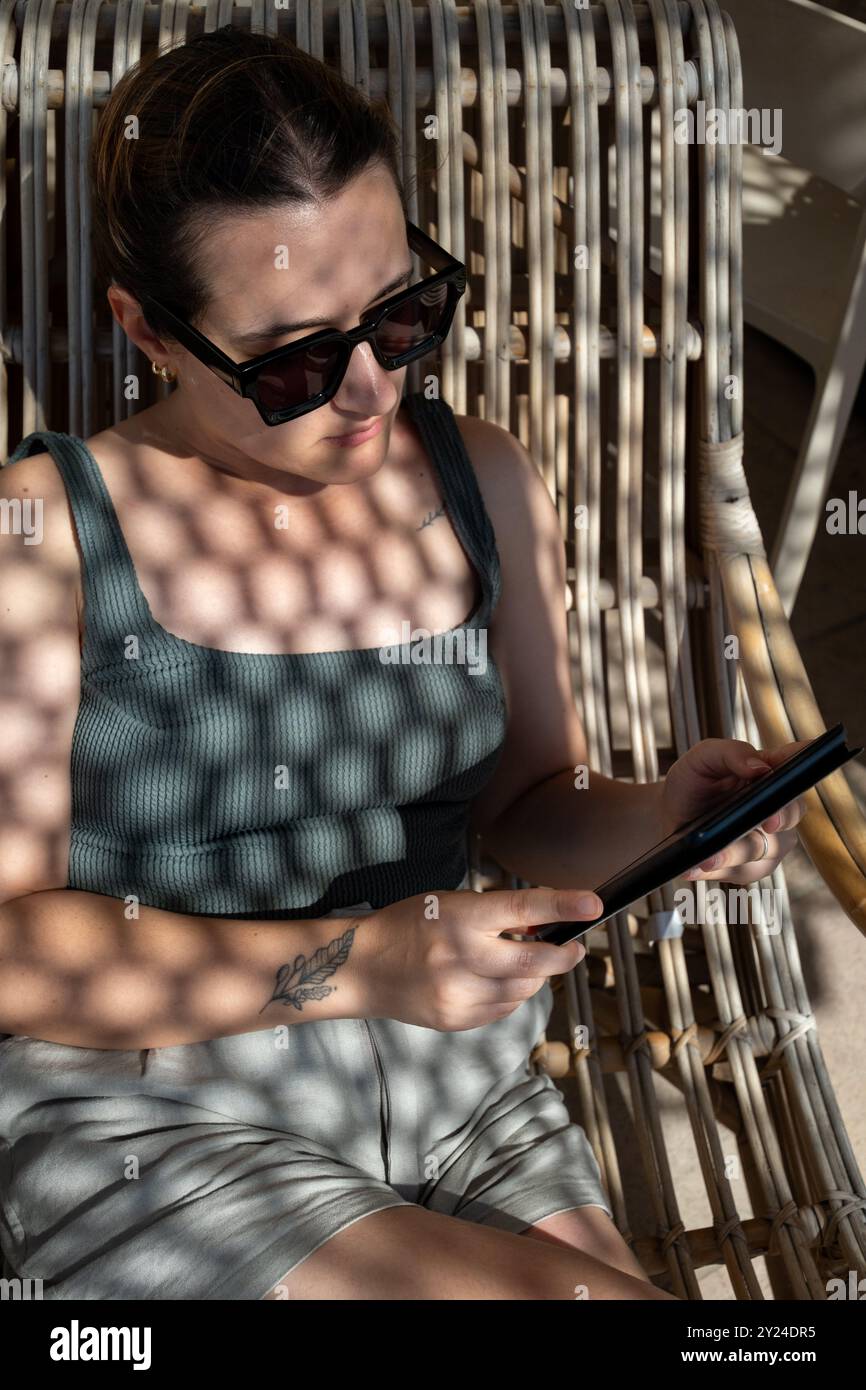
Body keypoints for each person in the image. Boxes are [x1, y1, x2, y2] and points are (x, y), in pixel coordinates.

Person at [0, 25, 804, 1302]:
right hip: (158, 1106)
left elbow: (532, 810)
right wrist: (362, 960)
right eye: (296, 362)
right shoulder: (47, 535)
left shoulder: (477, 475)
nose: (372, 388)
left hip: (457, 1080)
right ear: (146, 330)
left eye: (402, 312)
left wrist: (666, 817)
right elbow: (14, 949)